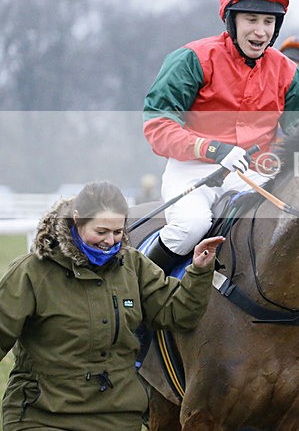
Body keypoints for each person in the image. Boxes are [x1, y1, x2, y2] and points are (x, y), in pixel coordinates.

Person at [0, 181, 221, 430]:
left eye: (117, 232)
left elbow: (179, 314)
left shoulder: (133, 265)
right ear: (77, 220)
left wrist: (199, 272)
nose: (110, 241)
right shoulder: (31, 273)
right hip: (42, 415)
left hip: (118, 416)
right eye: (101, 231)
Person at [142, 0, 299, 273]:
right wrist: (214, 149)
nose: (260, 32)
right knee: (190, 227)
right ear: (231, 20)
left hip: (256, 175)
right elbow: (158, 126)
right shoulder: (192, 59)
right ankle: (137, 292)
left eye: (268, 22)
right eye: (251, 19)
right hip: (194, 171)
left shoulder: (288, 73)